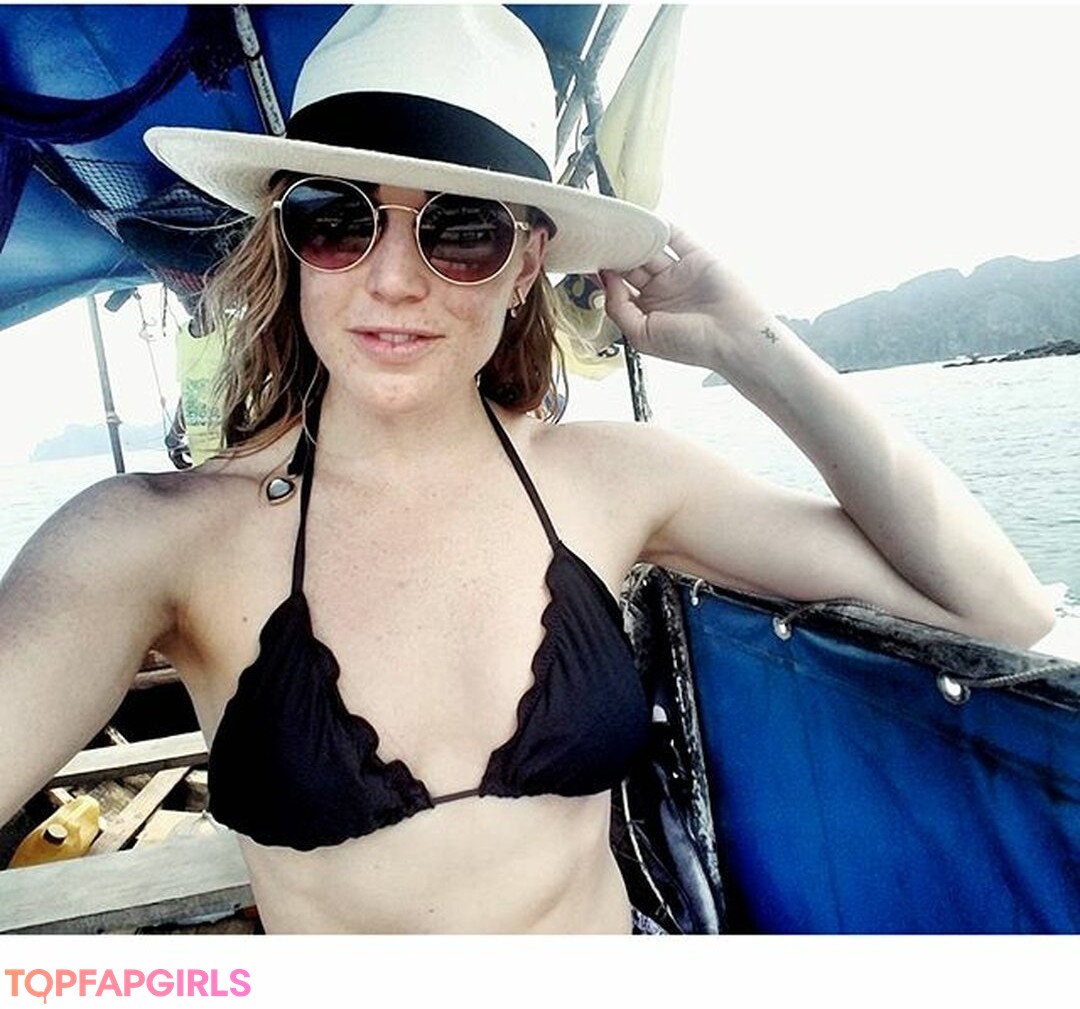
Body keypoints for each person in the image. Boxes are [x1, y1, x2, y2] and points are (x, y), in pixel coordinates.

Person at [0, 6, 1053, 934]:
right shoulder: (154, 535)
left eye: (459, 231)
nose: (394, 280)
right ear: (288, 241)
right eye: (338, 216)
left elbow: (998, 609)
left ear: (524, 267)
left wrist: (746, 342)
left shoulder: (616, 480)